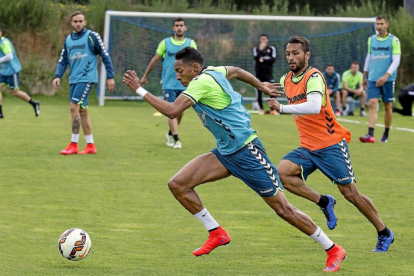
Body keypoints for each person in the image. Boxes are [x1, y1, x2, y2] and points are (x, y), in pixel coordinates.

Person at [123, 47, 346, 272]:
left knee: (283, 209)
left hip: (248, 152)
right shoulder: (214, 71)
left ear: (194, 68)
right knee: (179, 185)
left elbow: (172, 111)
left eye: (180, 71)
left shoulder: (200, 82)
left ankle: (333, 248)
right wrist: (260, 85)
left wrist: (139, 89)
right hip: (226, 152)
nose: (177, 76)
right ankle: (216, 233)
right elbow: (237, 71)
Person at [268, 36, 394, 253]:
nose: (291, 57)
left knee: (351, 194)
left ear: (307, 55)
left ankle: (384, 232)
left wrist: (281, 108)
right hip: (307, 147)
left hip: (331, 145)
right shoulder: (286, 79)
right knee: (283, 174)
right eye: (288, 53)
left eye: (296, 53)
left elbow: (315, 106)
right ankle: (324, 201)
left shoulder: (314, 76)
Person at [53, 11, 115, 155]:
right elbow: (63, 60)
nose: (78, 24)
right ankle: (90, 145)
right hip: (74, 79)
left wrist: (110, 76)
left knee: (73, 107)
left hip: (87, 78)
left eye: (80, 21)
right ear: (71, 23)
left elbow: (105, 55)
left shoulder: (92, 36)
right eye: (75, 21)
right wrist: (58, 75)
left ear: (85, 22)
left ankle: (73, 144)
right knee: (82, 111)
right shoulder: (68, 39)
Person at [140, 17, 197, 149]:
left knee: (180, 112)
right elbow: (155, 60)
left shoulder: (190, 43)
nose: (179, 27)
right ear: (173, 28)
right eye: (176, 25)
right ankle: (176, 138)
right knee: (171, 110)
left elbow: (195, 63)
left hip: (184, 84)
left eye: (181, 25)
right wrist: (145, 76)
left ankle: (170, 133)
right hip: (169, 84)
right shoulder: (165, 43)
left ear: (185, 28)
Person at [360, 15, 401, 143]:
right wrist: (364, 76)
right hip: (372, 78)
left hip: (388, 80)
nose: (379, 26)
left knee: (388, 106)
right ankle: (370, 134)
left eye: (382, 24)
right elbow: (369, 58)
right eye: (377, 24)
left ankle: (386, 134)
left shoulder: (394, 40)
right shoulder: (371, 40)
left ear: (387, 24)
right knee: (372, 104)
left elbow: (396, 61)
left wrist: (385, 76)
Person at [0, 27, 40, 119]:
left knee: (15, 93)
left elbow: (9, 56)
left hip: (12, 71)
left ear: (1, 33)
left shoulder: (4, 43)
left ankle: (34, 103)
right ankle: (0, 113)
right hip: (3, 71)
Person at [253, 34, 278, 115]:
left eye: (265, 39)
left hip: (268, 73)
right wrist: (261, 50)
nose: (263, 40)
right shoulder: (256, 49)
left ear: (267, 40)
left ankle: (273, 109)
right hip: (259, 73)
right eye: (262, 39)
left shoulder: (271, 49)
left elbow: (273, 59)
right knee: (259, 90)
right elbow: (256, 58)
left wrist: (262, 59)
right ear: (260, 40)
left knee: (272, 90)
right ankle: (261, 109)